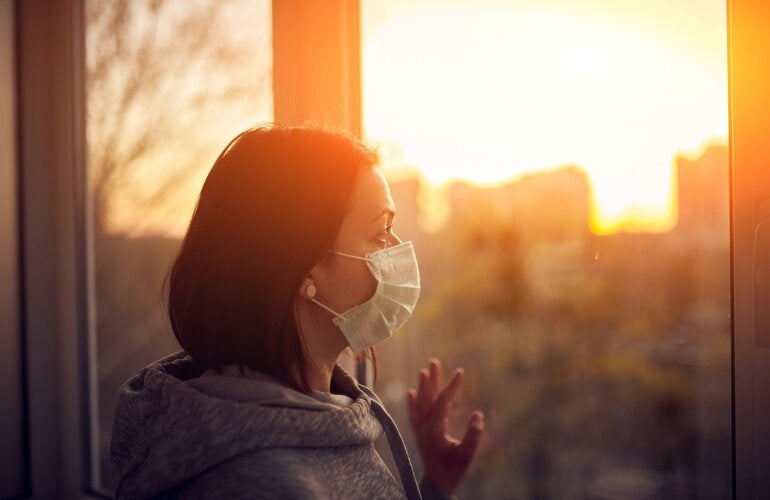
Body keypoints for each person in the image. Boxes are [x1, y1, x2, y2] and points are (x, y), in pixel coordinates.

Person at [110, 125, 485, 499]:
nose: (396, 248)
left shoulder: (321, 411)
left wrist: (436, 486)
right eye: (380, 233)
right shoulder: (265, 485)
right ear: (305, 268)